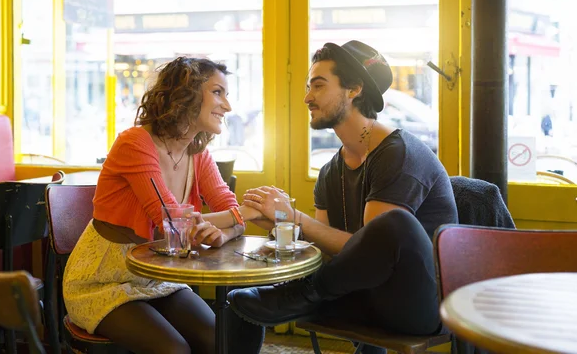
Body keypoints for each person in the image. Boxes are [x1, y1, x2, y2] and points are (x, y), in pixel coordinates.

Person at [228, 41, 459, 353]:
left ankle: (303, 294)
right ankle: (298, 294)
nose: (307, 97)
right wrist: (277, 222)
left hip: (418, 304)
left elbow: (374, 250)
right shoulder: (329, 171)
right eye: (309, 87)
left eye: (319, 86)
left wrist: (295, 217)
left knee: (394, 223)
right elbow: (333, 252)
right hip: (358, 295)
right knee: (241, 302)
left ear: (354, 90)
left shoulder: (399, 154)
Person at [63, 57, 264, 354]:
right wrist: (245, 213)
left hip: (159, 279)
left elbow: (229, 210)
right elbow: (170, 222)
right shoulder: (135, 143)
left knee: (220, 342)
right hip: (104, 281)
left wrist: (225, 232)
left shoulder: (198, 154)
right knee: (174, 350)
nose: (227, 106)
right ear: (187, 92)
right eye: (218, 92)